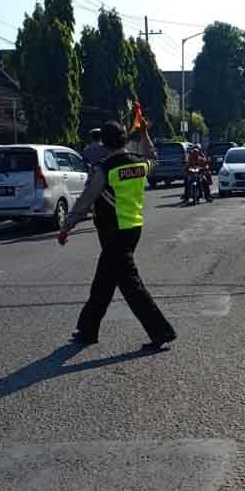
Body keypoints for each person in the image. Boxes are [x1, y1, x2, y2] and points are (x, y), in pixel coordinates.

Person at [58, 120, 176, 350]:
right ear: (124, 140)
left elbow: (85, 200)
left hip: (114, 232)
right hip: (134, 228)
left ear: (104, 143)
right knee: (104, 280)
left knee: (131, 285)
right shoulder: (139, 164)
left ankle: (161, 331)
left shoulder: (104, 169)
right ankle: (87, 329)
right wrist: (144, 134)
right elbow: (154, 158)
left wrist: (67, 225)